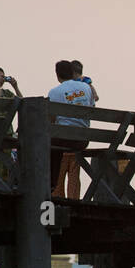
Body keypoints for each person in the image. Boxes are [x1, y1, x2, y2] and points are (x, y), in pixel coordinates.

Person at [47, 59, 94, 192]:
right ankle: (52, 185)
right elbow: (92, 108)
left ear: (57, 75)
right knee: (54, 145)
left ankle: (50, 184)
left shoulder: (54, 92)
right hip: (83, 140)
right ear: (72, 72)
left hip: (63, 139)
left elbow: (51, 120)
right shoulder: (86, 88)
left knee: (48, 144)